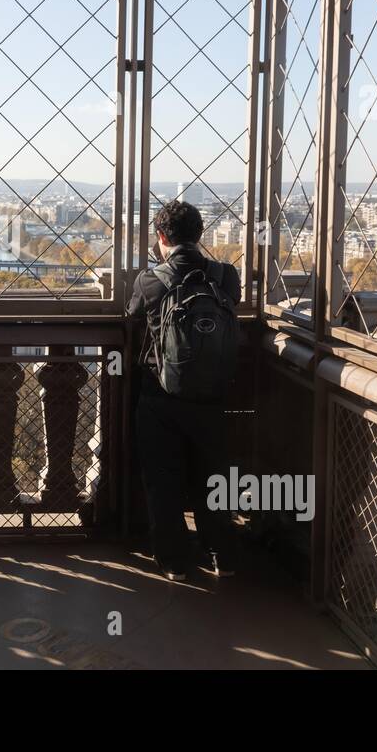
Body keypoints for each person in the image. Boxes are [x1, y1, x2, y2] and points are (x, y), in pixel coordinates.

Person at [128, 200, 240, 582]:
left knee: (162, 479)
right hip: (215, 395)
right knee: (214, 476)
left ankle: (174, 560)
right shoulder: (226, 276)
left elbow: (132, 315)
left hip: (161, 394)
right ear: (200, 234)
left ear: (161, 237)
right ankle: (221, 555)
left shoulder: (151, 280)